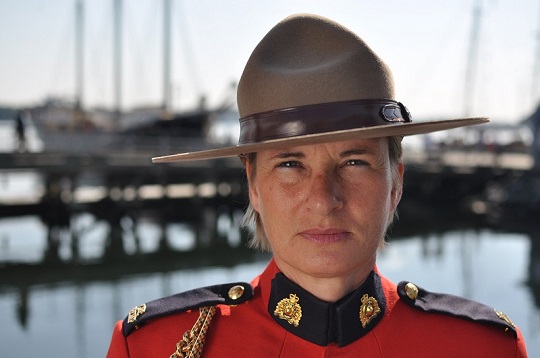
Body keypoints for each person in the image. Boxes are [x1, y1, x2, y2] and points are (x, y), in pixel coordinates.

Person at [107, 14, 528, 357]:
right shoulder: (154, 346)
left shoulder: (482, 347)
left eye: (355, 161)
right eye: (291, 164)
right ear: (253, 185)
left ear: (396, 183)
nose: (324, 199)